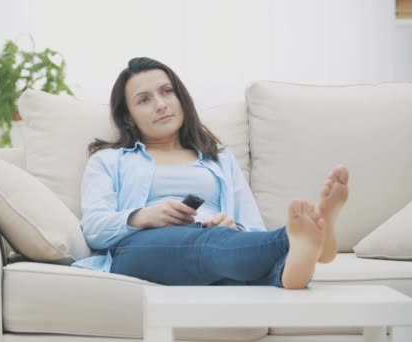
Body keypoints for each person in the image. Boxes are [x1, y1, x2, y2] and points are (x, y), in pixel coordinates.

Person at [71, 57, 349, 289]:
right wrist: (144, 216)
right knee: (214, 245)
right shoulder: (108, 160)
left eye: (167, 91)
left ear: (180, 97)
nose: (160, 104)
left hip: (219, 245)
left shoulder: (218, 158)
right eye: (144, 100)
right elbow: (93, 228)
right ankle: (303, 237)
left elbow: (252, 225)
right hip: (138, 249)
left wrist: (234, 228)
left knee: (246, 259)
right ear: (129, 116)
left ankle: (302, 256)